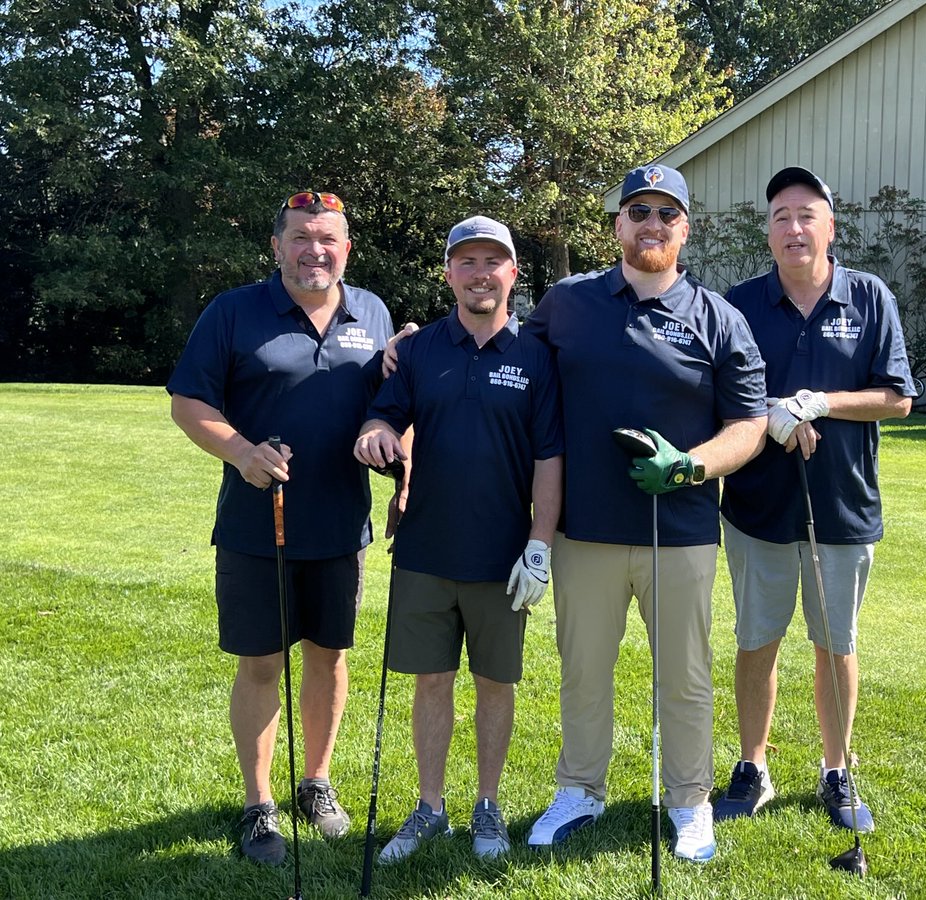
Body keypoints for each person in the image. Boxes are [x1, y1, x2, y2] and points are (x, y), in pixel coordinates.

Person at [522, 164, 767, 863]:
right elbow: (510, 365)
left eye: (666, 214)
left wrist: (689, 466)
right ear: (619, 225)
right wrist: (409, 347)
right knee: (583, 669)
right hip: (585, 529)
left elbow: (748, 425)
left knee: (685, 677)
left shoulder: (720, 319)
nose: (651, 225)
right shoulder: (567, 304)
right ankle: (579, 790)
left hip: (680, 532)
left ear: (684, 229)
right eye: (638, 212)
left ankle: (688, 801)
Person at [168, 191, 399, 864]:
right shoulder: (234, 312)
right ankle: (258, 804)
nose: (314, 249)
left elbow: (392, 403)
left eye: (328, 238)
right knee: (263, 663)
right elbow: (188, 401)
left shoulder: (374, 313)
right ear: (277, 245)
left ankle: (317, 783)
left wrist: (399, 460)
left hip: (340, 523)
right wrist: (242, 454)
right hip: (254, 525)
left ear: (346, 248)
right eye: (301, 236)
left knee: (330, 657)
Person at [711, 167, 916, 833]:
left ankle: (836, 769)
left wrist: (823, 401)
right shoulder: (739, 304)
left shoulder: (870, 297)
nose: (793, 227)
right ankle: (753, 767)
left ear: (830, 227)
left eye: (806, 214)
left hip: (843, 510)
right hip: (757, 509)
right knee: (756, 641)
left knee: (836, 645)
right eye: (780, 217)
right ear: (767, 233)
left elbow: (898, 398)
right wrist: (770, 411)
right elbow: (717, 395)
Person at [353, 216, 564, 861]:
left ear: (512, 274)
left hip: (503, 555)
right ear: (448, 272)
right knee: (432, 681)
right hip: (424, 550)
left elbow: (549, 460)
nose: (480, 273)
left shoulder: (535, 357)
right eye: (466, 261)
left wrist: (540, 545)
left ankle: (489, 806)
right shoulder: (416, 351)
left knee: (496, 683)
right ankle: (430, 807)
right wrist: (375, 434)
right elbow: (385, 414)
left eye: (491, 261)